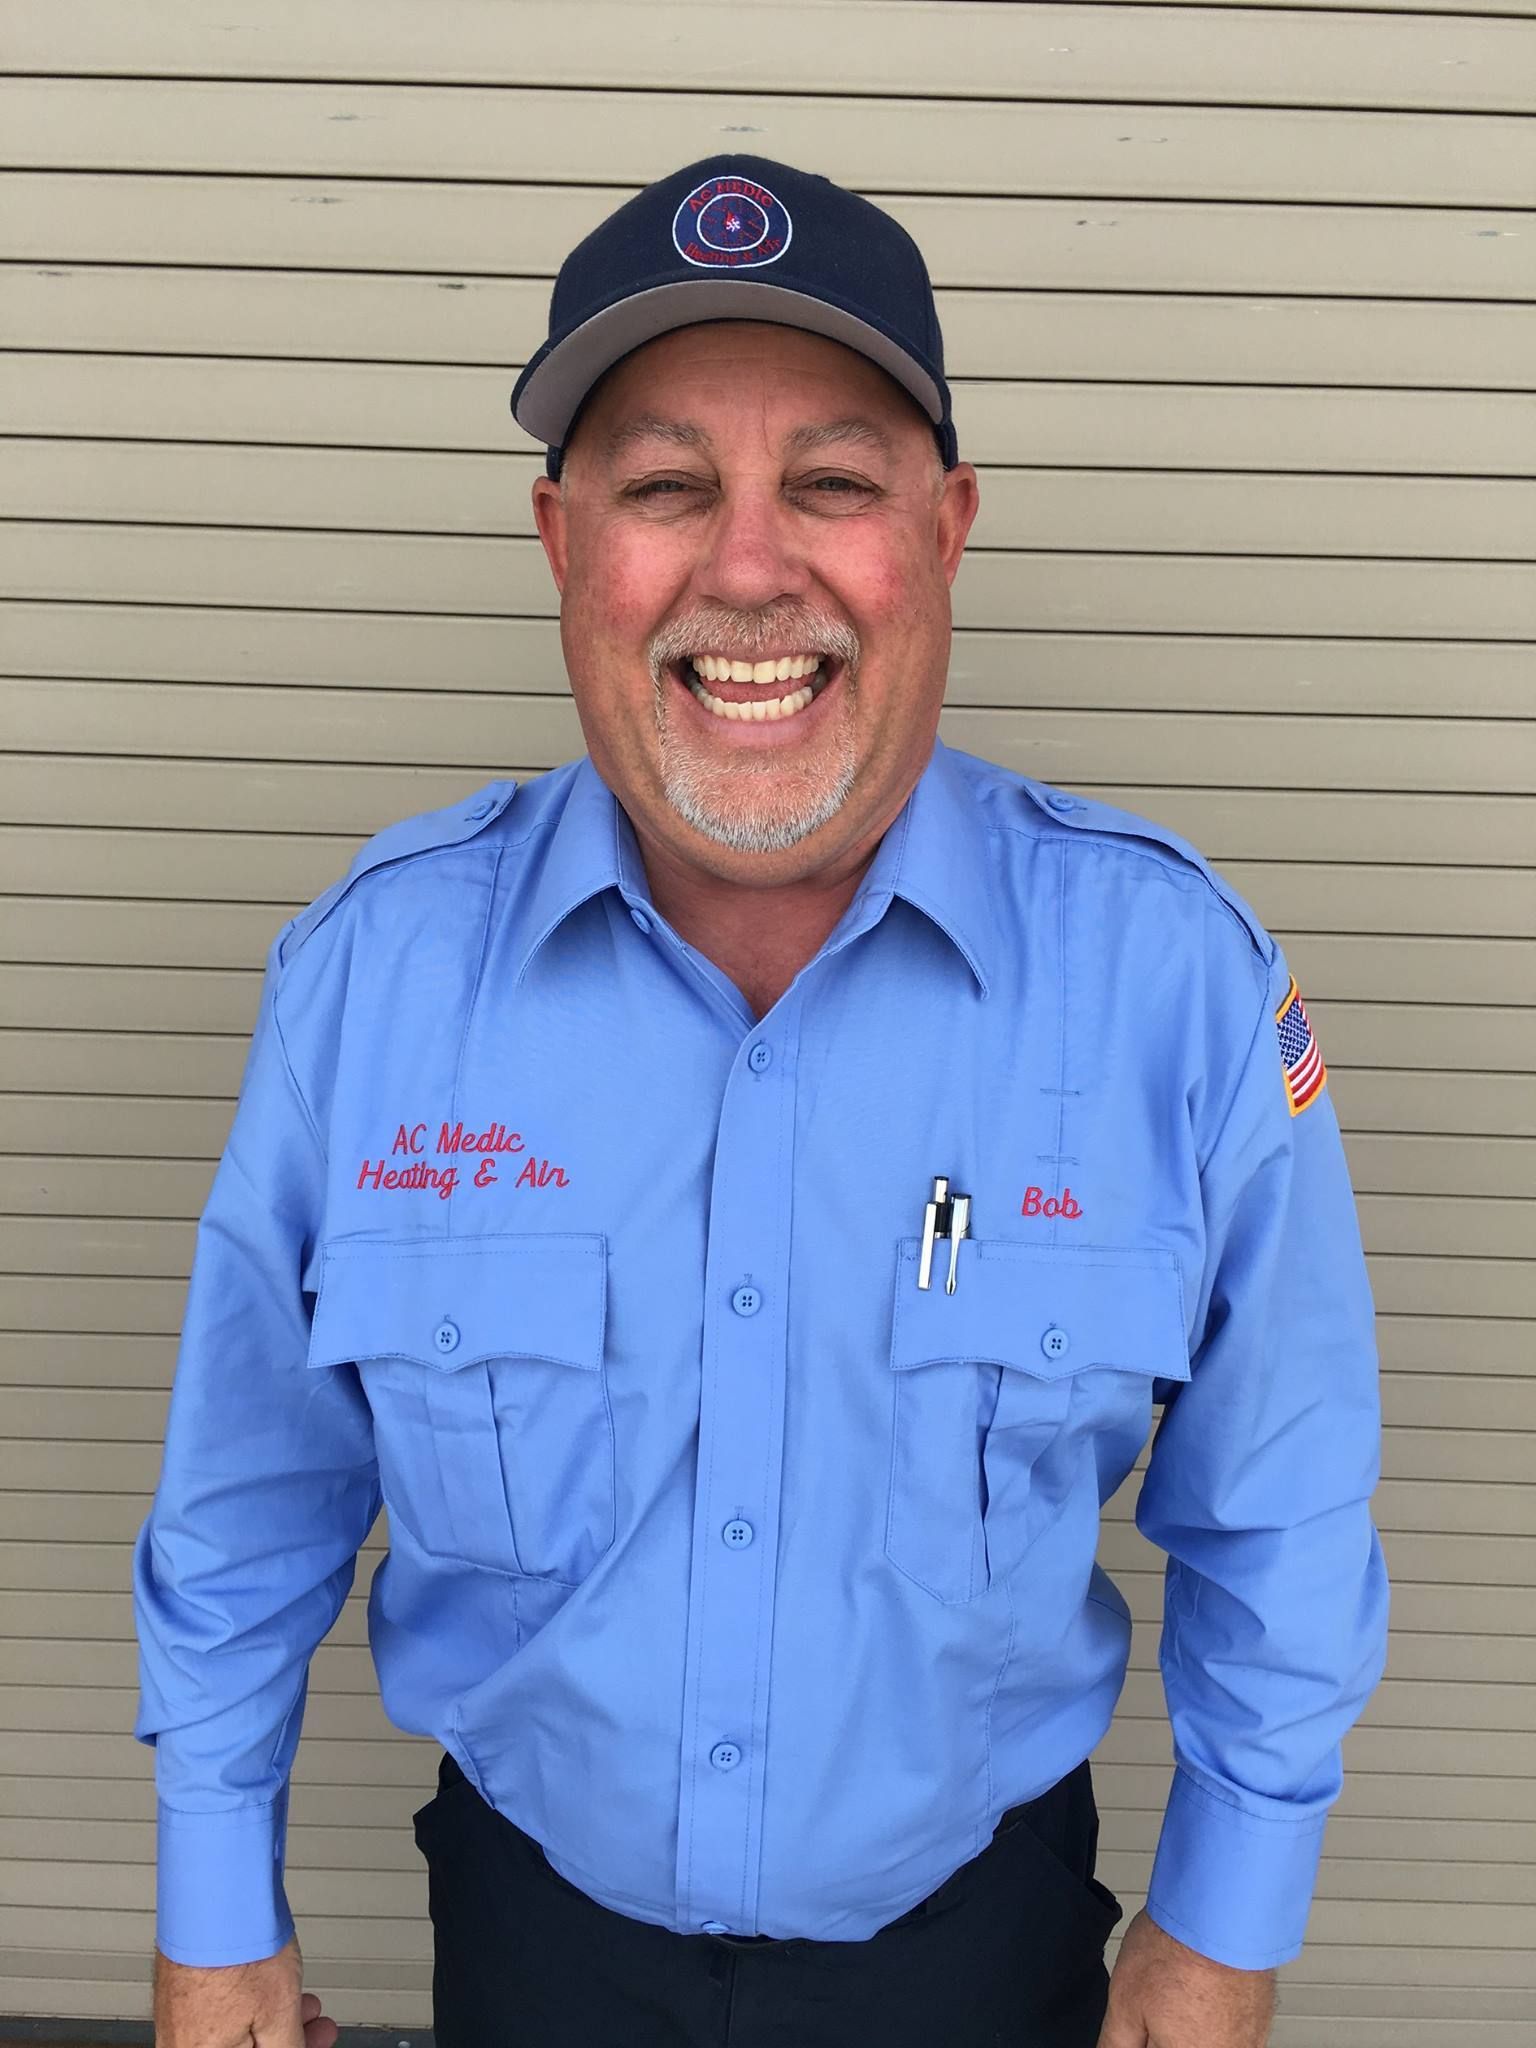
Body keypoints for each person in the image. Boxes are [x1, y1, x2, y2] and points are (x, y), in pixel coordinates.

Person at [136, 155, 1390, 2048]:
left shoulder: (1175, 985)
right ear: (563, 543)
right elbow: (251, 1502)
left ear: (946, 530)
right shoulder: (372, 984)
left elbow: (1279, 1510)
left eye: (831, 482)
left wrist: (1221, 1929)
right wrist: (216, 1912)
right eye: (662, 486)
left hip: (980, 1936)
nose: (746, 567)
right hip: (533, 1927)